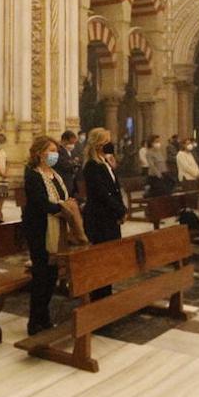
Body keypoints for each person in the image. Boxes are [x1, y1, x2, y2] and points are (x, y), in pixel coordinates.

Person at [21, 136, 85, 335]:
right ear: (40, 153)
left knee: (52, 276)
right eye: (51, 150)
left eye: (56, 150)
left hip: (57, 230)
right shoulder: (33, 175)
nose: (55, 154)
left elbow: (62, 199)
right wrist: (64, 208)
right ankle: (34, 321)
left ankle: (45, 316)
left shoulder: (55, 175)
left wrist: (68, 204)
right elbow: (41, 203)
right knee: (41, 275)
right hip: (40, 231)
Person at [81, 127, 126, 299]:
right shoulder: (92, 166)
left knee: (110, 257)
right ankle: (99, 296)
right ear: (99, 144)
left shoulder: (104, 163)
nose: (110, 144)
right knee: (101, 258)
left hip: (110, 216)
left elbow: (114, 189)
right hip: (100, 217)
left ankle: (106, 293)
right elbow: (102, 193)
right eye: (107, 140)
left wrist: (121, 210)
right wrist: (119, 209)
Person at [55, 130, 82, 196]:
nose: (72, 145)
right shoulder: (58, 150)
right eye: (71, 143)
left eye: (73, 143)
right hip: (63, 181)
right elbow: (65, 164)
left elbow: (79, 159)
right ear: (64, 140)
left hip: (72, 182)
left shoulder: (73, 150)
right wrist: (74, 162)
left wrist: (74, 162)